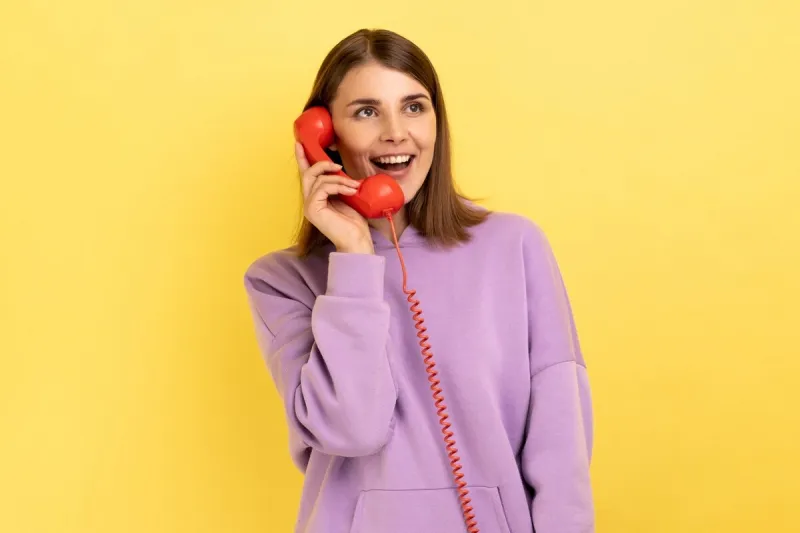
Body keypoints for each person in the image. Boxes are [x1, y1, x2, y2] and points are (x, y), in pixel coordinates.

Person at [243, 28, 594, 533]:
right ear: (324, 135)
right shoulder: (280, 281)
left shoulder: (514, 246)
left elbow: (561, 447)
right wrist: (355, 258)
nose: (395, 132)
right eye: (366, 111)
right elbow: (353, 429)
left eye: (413, 107)